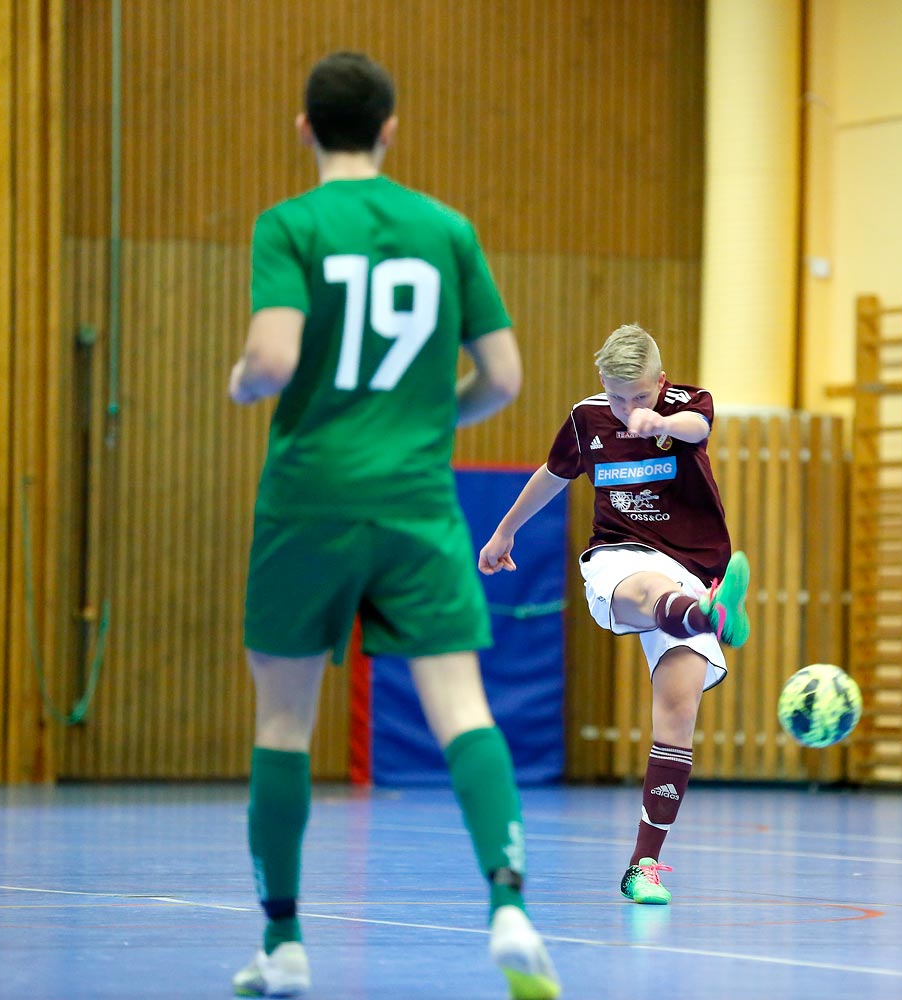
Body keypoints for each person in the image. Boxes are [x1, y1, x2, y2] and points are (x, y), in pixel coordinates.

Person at [226, 51, 559, 1000]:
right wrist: (421, 418)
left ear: (304, 130)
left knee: (285, 721)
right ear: (390, 130)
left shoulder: (289, 225)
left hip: (308, 501)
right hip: (416, 501)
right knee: (462, 703)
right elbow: (502, 379)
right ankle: (508, 908)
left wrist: (245, 379)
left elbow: (273, 356)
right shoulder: (445, 228)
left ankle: (284, 945)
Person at [477, 323, 750, 906]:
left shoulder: (686, 405)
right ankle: (702, 616)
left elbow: (697, 428)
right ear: (602, 382)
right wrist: (503, 534)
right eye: (618, 397)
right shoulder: (587, 419)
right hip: (621, 555)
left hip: (695, 569)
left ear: (661, 381)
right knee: (645, 591)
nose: (629, 410)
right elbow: (551, 477)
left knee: (677, 717)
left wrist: (662, 424)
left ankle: (642, 866)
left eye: (641, 397)